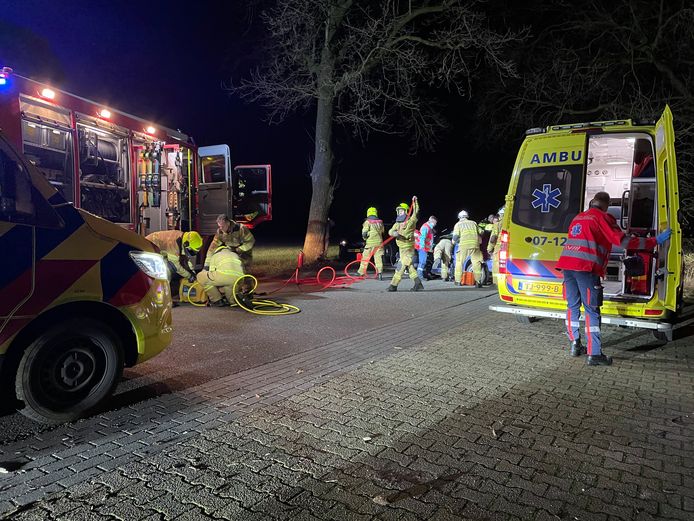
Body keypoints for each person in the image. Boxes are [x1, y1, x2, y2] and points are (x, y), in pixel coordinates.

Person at [557, 191, 671, 366]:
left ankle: (575, 343)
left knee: (572, 306)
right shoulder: (603, 217)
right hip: (586, 269)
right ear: (606, 205)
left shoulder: (579, 217)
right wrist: (654, 241)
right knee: (591, 310)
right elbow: (624, 242)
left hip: (567, 266)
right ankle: (594, 354)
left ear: (592, 202)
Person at [386, 197, 421, 292]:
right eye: (399, 211)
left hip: (408, 249)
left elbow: (416, 211)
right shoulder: (397, 223)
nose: (400, 212)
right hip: (401, 249)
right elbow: (390, 231)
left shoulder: (411, 221)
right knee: (409, 266)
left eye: (402, 211)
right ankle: (418, 283)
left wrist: (415, 202)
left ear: (406, 211)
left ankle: (393, 285)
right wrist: (393, 233)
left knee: (400, 266)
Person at [452, 210, 483, 288]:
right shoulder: (473, 223)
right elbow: (481, 232)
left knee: (459, 262)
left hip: (463, 246)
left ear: (459, 217)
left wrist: (453, 242)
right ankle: (478, 281)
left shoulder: (458, 224)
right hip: (475, 245)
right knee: (476, 262)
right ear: (467, 216)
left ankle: (458, 281)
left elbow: (455, 236)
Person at [358, 207, 385, 280]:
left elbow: (364, 234)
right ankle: (380, 273)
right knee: (378, 259)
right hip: (379, 244)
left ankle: (361, 272)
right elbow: (382, 231)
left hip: (370, 244)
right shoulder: (380, 222)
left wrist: (365, 237)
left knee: (365, 258)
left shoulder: (367, 222)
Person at [414, 215, 437, 280]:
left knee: (424, 262)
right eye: (434, 223)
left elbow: (429, 238)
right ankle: (420, 277)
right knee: (422, 262)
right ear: (431, 221)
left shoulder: (429, 228)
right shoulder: (425, 227)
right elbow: (422, 237)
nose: (435, 224)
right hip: (423, 248)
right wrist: (422, 246)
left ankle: (422, 275)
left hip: (426, 248)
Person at [487, 208, 504, 285]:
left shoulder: (498, 224)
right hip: (513, 247)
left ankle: (496, 283)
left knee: (496, 264)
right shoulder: (513, 223)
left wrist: (489, 249)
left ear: (500, 215)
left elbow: (493, 238)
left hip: (500, 247)